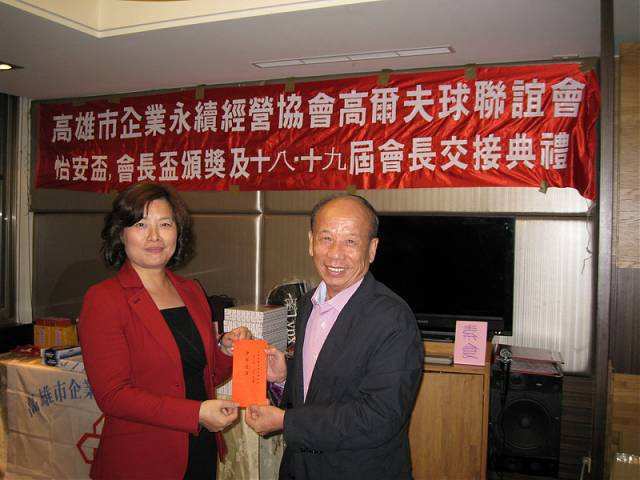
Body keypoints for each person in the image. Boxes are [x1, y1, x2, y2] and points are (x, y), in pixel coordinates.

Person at [245, 194, 424, 480]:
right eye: (326, 238)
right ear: (310, 242)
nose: (335, 254)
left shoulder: (393, 319)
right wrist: (285, 375)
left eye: (350, 241)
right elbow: (323, 385)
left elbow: (380, 416)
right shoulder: (308, 303)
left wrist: (287, 422)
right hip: (300, 468)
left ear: (372, 249)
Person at [79, 182, 249, 480]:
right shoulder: (105, 299)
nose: (154, 236)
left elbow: (202, 375)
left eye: (165, 224)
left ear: (177, 232)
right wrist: (195, 414)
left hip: (200, 449)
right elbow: (114, 396)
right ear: (121, 233)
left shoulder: (191, 291)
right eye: (141, 224)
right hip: (142, 460)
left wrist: (225, 350)